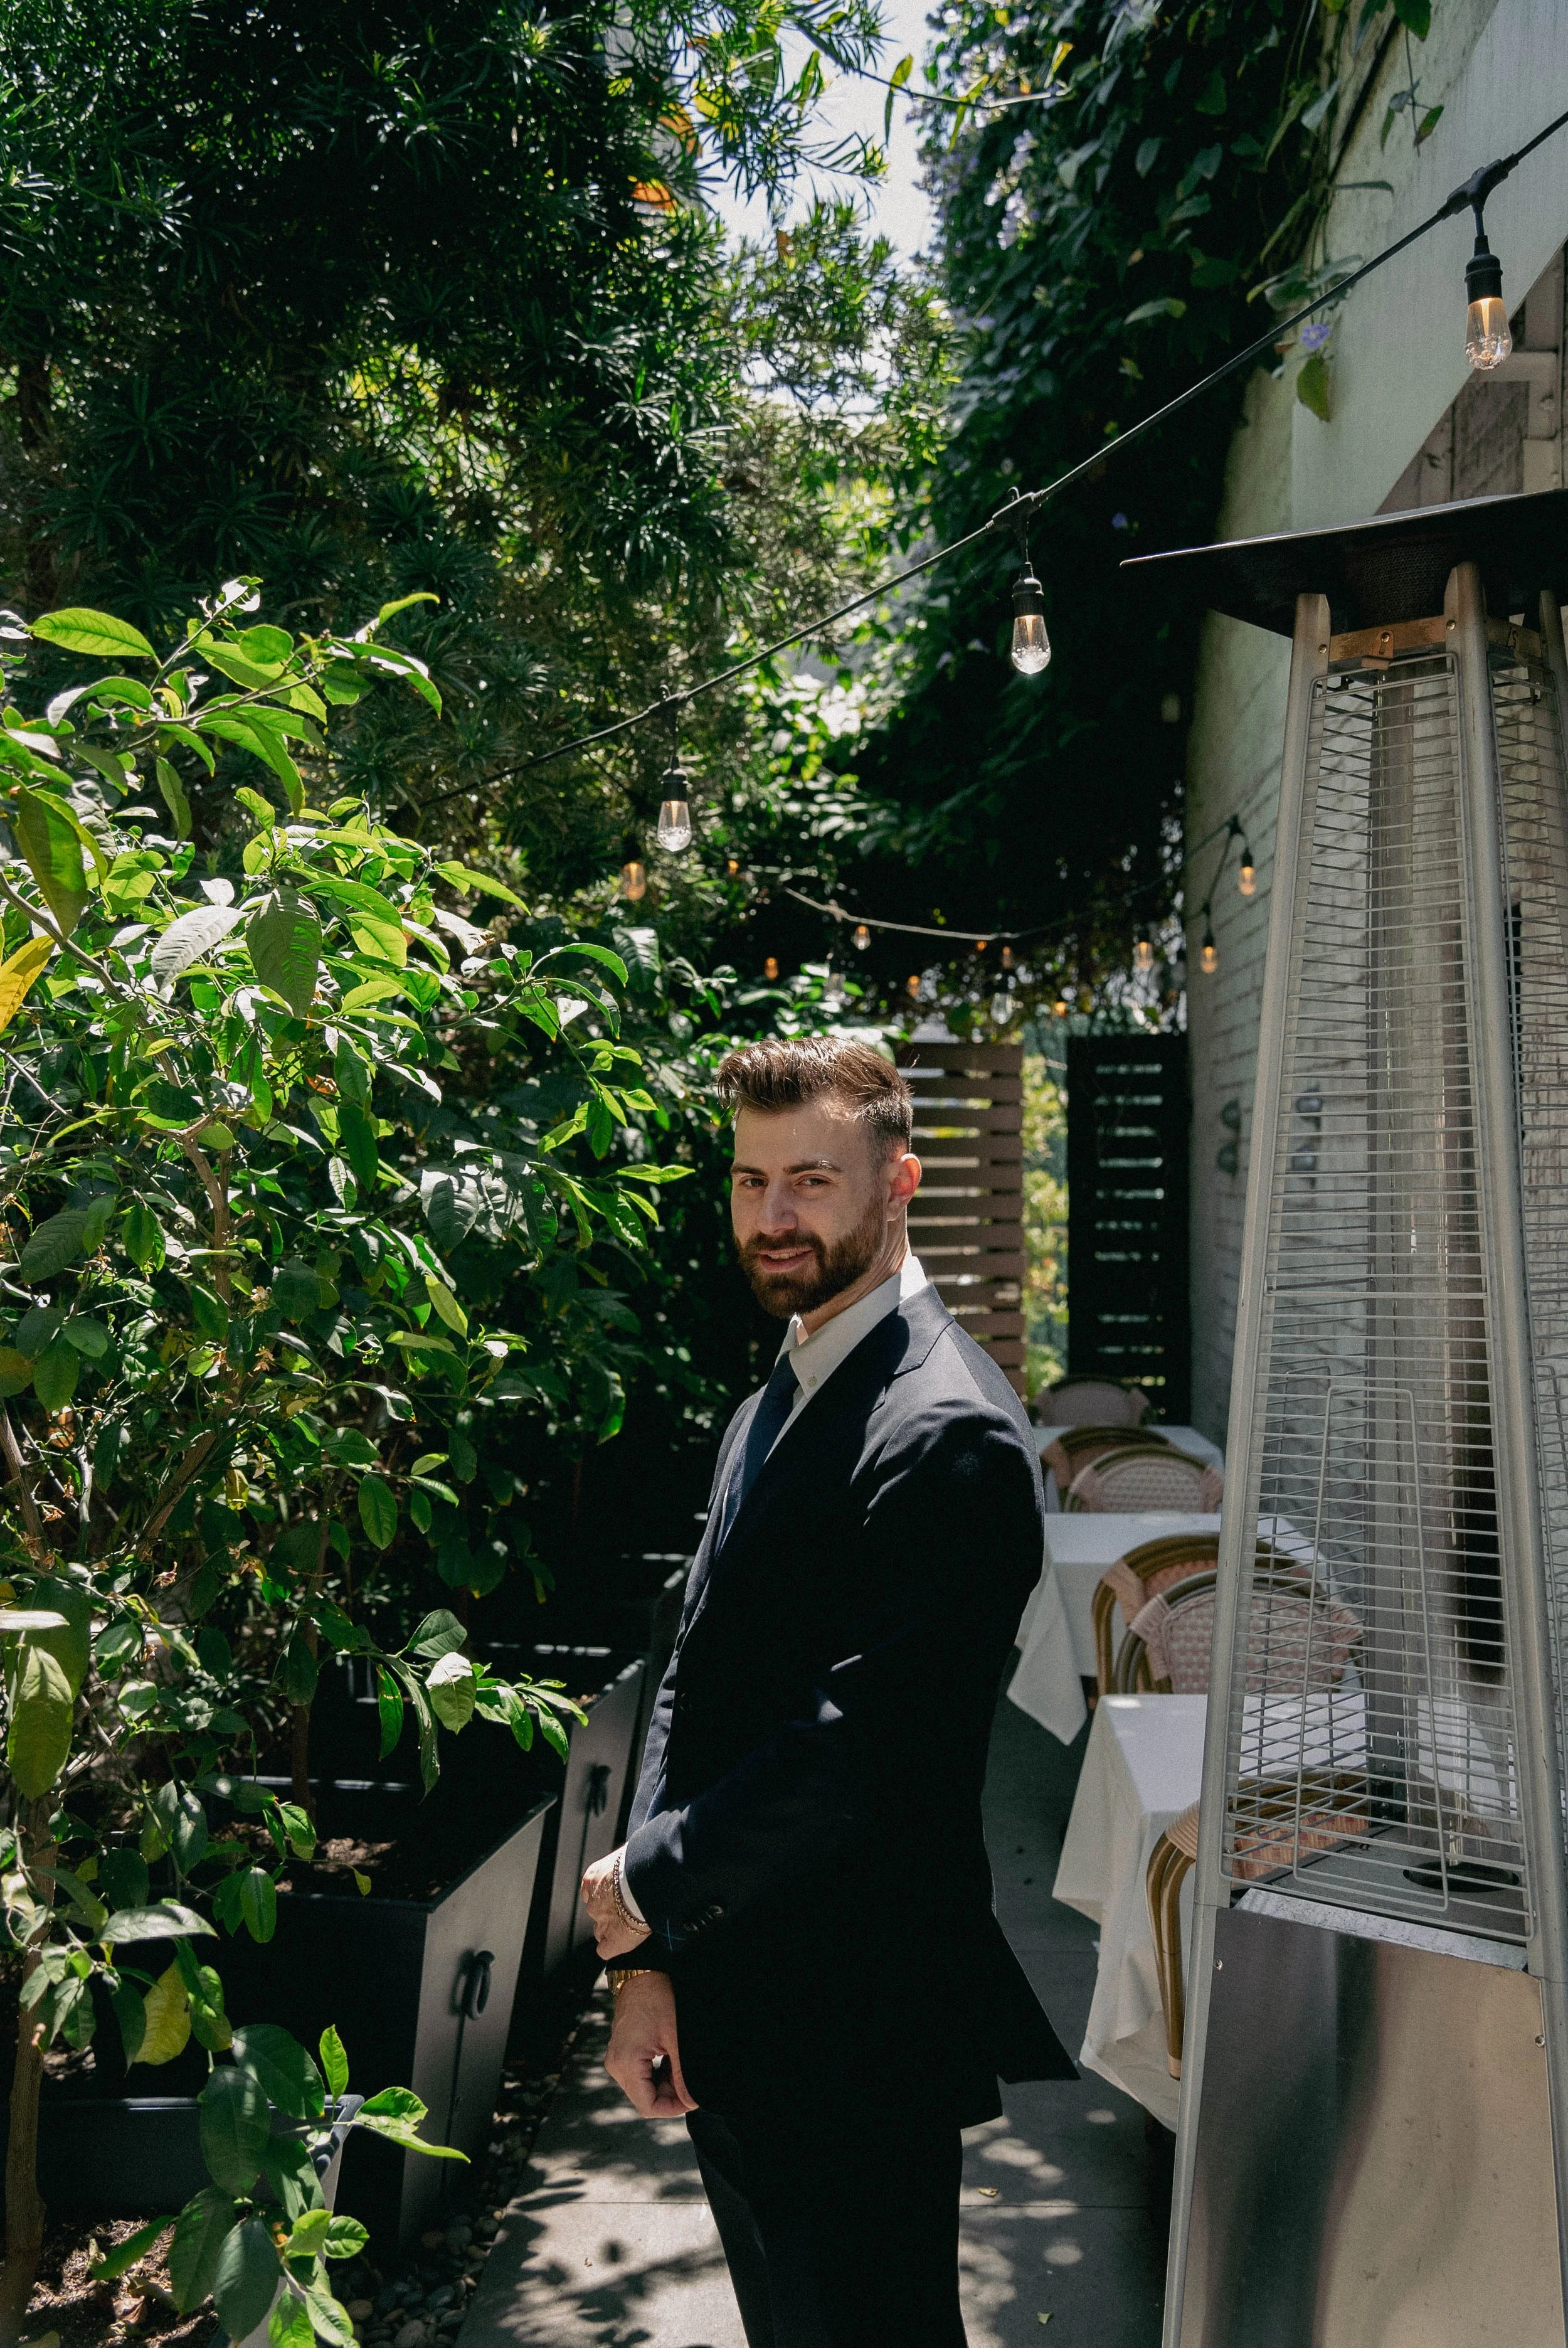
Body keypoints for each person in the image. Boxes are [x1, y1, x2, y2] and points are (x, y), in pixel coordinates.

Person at [580, 1034, 1071, 2347]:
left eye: (810, 1179)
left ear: (898, 1180)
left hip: (857, 2031)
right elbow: (694, 1668)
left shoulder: (948, 1430)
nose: (773, 1216)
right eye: (751, 1180)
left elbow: (861, 1753)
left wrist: (644, 1880)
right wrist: (647, 1955)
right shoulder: (783, 1384)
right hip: (738, 2010)